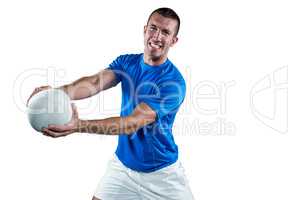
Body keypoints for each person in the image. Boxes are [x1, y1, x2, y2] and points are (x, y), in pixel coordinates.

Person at [27, 7, 194, 200]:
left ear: (174, 40)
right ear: (144, 29)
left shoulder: (173, 83)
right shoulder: (127, 62)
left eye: (165, 32)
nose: (157, 36)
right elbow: (94, 83)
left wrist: (79, 126)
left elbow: (132, 122)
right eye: (153, 28)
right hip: (123, 166)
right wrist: (55, 93)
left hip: (162, 174)